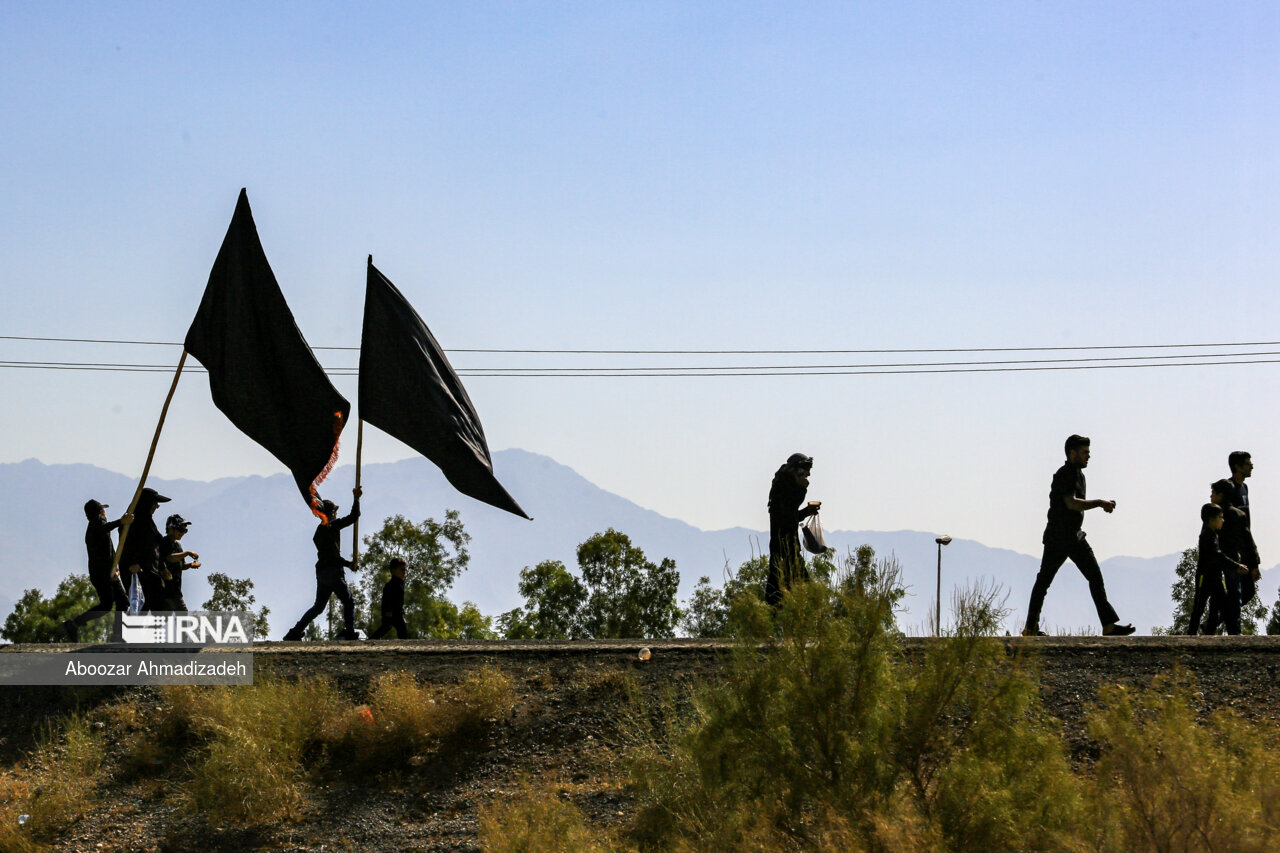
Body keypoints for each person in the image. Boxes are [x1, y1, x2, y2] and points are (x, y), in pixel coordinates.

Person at [1023, 435, 1134, 637]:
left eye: (1088, 452)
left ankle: (1108, 625)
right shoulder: (1065, 474)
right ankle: (1030, 628)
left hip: (1075, 537)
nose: (1088, 456)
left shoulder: (1079, 475)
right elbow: (1071, 503)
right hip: (1058, 537)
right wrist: (1100, 502)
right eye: (1084, 452)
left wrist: (1100, 504)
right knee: (1043, 582)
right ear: (1072, 453)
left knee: (1095, 576)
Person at [283, 486, 362, 641]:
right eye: (335, 512)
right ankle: (350, 631)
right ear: (332, 513)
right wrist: (356, 498)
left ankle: (295, 632)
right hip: (333, 572)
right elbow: (354, 516)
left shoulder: (318, 532)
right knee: (348, 600)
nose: (337, 514)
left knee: (318, 607)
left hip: (322, 573)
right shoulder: (331, 527)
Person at [62, 499, 133, 642]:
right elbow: (104, 528)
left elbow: (108, 551)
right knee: (120, 603)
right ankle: (117, 635)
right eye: (103, 511)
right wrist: (121, 521)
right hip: (104, 574)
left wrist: (115, 568)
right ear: (101, 512)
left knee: (111, 604)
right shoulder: (98, 522)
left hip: (105, 572)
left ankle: (75, 624)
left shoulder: (93, 527)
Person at [766, 453, 820, 607]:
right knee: (795, 594)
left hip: (788, 552)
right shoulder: (782, 496)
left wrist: (807, 511)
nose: (807, 476)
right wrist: (802, 489)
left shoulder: (782, 498)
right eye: (805, 472)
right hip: (786, 553)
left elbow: (791, 516)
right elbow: (787, 518)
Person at [1188, 503, 1245, 635]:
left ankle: (1226, 634)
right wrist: (1236, 566)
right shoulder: (1207, 536)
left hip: (1215, 578)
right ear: (1211, 519)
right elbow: (1217, 555)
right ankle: (1190, 636)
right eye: (1220, 517)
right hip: (1205, 578)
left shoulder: (1213, 534)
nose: (1223, 520)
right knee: (1199, 608)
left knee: (1223, 606)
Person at [119, 487, 171, 614]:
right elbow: (124, 540)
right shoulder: (132, 518)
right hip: (136, 569)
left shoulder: (147, 520)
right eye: (155, 503)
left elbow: (156, 544)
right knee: (140, 603)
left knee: (154, 600)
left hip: (150, 568)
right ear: (146, 502)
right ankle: (129, 630)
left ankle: (148, 630)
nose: (157, 506)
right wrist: (131, 562)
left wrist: (162, 566)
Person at [1223, 452, 1261, 609]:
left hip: (1245, 546)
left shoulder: (1244, 488)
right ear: (1237, 467)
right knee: (1238, 591)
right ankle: (1213, 621)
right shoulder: (1228, 489)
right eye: (1247, 464)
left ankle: (1213, 621)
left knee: (1248, 592)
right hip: (1233, 549)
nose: (1251, 466)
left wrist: (1253, 558)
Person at [159, 514, 201, 612]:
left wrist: (190, 565)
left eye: (184, 531)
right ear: (170, 528)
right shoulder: (165, 542)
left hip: (175, 590)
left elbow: (181, 565)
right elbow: (169, 558)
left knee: (162, 620)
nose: (182, 533)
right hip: (167, 590)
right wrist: (187, 553)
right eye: (180, 530)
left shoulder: (178, 545)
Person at [370, 557, 409, 639]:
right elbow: (386, 599)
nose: (404, 572)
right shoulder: (390, 585)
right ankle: (371, 640)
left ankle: (404, 645)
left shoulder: (400, 583)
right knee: (387, 627)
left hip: (397, 612)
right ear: (394, 570)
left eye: (405, 570)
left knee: (399, 628)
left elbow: (399, 600)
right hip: (390, 612)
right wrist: (388, 611)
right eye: (402, 569)